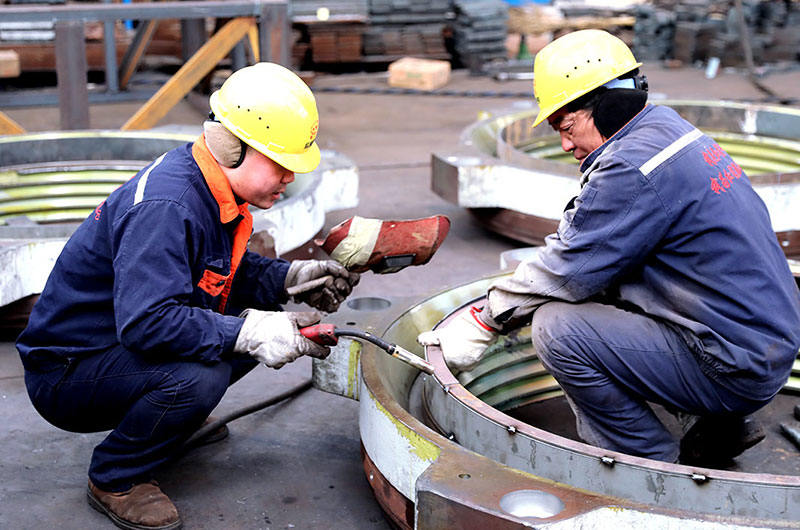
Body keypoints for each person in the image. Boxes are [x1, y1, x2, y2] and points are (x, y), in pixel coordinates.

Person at [419, 30, 800, 467]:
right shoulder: (666, 128)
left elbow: (567, 267)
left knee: (559, 329)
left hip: (731, 364)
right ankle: (718, 425)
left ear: (610, 106)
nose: (565, 146)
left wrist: (484, 319)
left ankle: (651, 466)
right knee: (610, 282)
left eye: (567, 127)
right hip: (764, 346)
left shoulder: (629, 168)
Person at [16, 62, 359, 530]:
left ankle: (167, 420)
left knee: (257, 319)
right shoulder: (167, 207)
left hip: (113, 343)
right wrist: (251, 332)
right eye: (280, 163)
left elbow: (219, 270)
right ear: (232, 147)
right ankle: (116, 477)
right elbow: (147, 323)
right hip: (67, 373)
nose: (288, 178)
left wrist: (291, 277)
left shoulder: (208, 183)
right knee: (202, 373)